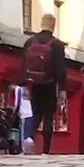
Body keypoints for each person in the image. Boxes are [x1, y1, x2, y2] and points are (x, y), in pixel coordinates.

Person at [22, 14, 67, 154]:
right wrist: (62, 89)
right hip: (49, 84)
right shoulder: (57, 44)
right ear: (53, 26)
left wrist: (25, 84)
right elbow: (61, 68)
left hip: (34, 84)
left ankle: (30, 141)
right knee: (48, 116)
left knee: (36, 114)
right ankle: (46, 150)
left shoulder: (30, 42)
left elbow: (24, 64)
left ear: (41, 23)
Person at [12, 83, 35, 154]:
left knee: (23, 134)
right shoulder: (26, 89)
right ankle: (29, 149)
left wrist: (14, 111)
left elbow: (17, 102)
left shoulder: (18, 89)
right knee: (28, 133)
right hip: (30, 113)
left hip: (23, 114)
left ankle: (23, 150)